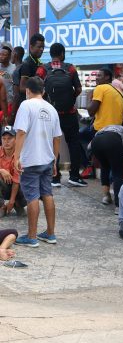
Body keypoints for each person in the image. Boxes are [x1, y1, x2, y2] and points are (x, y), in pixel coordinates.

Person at [13, 77, 62, 248]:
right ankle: (50, 233)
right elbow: (57, 138)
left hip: (31, 160)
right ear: (43, 91)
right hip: (47, 160)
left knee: (32, 196)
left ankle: (32, 237)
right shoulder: (51, 109)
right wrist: (54, 160)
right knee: (47, 194)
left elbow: (20, 132)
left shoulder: (26, 105)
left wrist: (16, 157)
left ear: (27, 90)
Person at [36, 43, 86, 188]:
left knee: (52, 145)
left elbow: (37, 89)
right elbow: (78, 89)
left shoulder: (43, 69)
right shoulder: (70, 68)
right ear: (62, 54)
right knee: (74, 143)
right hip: (69, 113)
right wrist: (70, 98)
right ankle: (74, 176)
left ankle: (55, 178)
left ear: (50, 54)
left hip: (50, 114)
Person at [81, 68, 123, 175]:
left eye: (99, 75)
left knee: (78, 136)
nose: (96, 78)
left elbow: (91, 111)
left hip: (101, 130)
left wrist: (88, 97)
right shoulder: (117, 91)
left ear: (107, 77)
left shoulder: (100, 88)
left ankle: (88, 164)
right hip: (117, 130)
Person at [0, 126, 26, 217]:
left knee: (32, 187)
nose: (6, 141)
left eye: (10, 138)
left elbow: (16, 181)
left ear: (16, 139)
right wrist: (1, 170)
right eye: (4, 138)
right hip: (4, 187)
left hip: (18, 188)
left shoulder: (20, 154)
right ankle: (1, 206)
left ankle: (17, 204)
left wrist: (11, 201)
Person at [19, 33, 45, 104]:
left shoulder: (38, 61)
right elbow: (22, 88)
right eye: (39, 47)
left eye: (43, 47)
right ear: (31, 47)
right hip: (28, 104)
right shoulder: (27, 64)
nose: (42, 49)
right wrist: (40, 92)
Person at [8, 46, 24, 125]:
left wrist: (12, 115)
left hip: (18, 108)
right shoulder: (23, 67)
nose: (10, 56)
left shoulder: (16, 71)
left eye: (11, 54)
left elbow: (16, 95)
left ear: (15, 54)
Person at [0, 45, 15, 118]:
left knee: (6, 124)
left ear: (9, 57)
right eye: (0, 54)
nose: (1, 56)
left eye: (4, 55)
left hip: (9, 102)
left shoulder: (14, 69)